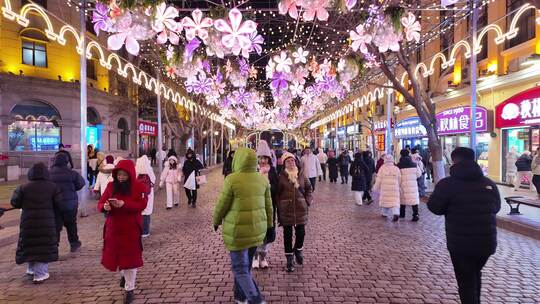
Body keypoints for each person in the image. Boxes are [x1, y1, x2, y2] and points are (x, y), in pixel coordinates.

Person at [427, 147, 501, 304]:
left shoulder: (447, 184)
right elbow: (496, 208)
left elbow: (435, 208)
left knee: (466, 281)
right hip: (486, 243)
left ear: (454, 160)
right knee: (475, 274)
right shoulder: (488, 183)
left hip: (460, 244)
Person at [213, 147, 273, 304]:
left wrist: (216, 220)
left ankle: (256, 299)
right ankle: (240, 297)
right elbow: (269, 206)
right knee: (245, 269)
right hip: (257, 230)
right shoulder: (262, 179)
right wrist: (270, 226)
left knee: (240, 268)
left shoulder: (232, 179)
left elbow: (222, 205)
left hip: (237, 231)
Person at [97, 160, 148, 304]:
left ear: (130, 175)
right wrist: (105, 207)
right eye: (118, 175)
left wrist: (124, 204)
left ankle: (129, 289)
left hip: (131, 229)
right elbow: (100, 202)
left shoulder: (138, 186)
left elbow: (142, 204)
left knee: (130, 261)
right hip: (113, 229)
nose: (120, 178)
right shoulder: (111, 186)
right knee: (119, 259)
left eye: (123, 175)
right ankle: (125, 277)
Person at [10, 163, 62, 283]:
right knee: (43, 244)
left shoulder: (23, 187)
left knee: (30, 244)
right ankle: (40, 274)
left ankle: (31, 269)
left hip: (28, 221)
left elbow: (15, 202)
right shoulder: (52, 187)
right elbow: (59, 204)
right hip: (46, 221)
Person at [277, 152, 313, 272]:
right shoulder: (281, 176)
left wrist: (307, 201)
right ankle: (289, 259)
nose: (291, 163)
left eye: (292, 161)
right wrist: (279, 206)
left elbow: (309, 188)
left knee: (301, 233)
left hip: (300, 209)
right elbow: (277, 194)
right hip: (286, 209)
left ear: (295, 162)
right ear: (284, 164)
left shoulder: (301, 175)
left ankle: (298, 250)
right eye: (288, 161)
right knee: (287, 235)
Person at [49, 152, 85, 252]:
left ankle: (54, 246)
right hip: (70, 204)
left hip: (54, 204)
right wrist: (72, 189)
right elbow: (81, 183)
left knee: (55, 225)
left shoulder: (48, 173)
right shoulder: (72, 173)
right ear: (67, 162)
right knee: (71, 224)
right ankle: (74, 243)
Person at [253, 144, 279, 269]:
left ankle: (263, 256)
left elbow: (276, 188)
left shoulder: (273, 171)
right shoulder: (254, 170)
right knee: (255, 231)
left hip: (269, 206)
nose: (263, 161)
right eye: (261, 158)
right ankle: (255, 256)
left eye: (265, 158)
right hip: (256, 205)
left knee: (267, 231)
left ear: (269, 158)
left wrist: (268, 187)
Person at [373, 154, 400, 222]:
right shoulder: (396, 168)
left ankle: (384, 213)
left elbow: (378, 179)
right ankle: (396, 213)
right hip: (394, 187)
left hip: (385, 188)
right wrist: (398, 185)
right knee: (394, 202)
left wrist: (375, 188)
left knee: (385, 201)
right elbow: (400, 178)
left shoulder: (382, 168)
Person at [397, 149, 421, 222]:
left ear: (401, 155)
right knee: (414, 200)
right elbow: (419, 174)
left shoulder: (399, 165)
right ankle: (415, 215)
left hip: (402, 184)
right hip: (412, 185)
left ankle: (402, 214)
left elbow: (397, 176)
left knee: (402, 199)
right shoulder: (414, 164)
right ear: (409, 154)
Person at [136, 155, 156, 237]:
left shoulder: (136, 170)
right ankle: (145, 231)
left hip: (138, 194)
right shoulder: (149, 170)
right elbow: (153, 180)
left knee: (139, 213)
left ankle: (139, 230)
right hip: (148, 194)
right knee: (146, 213)